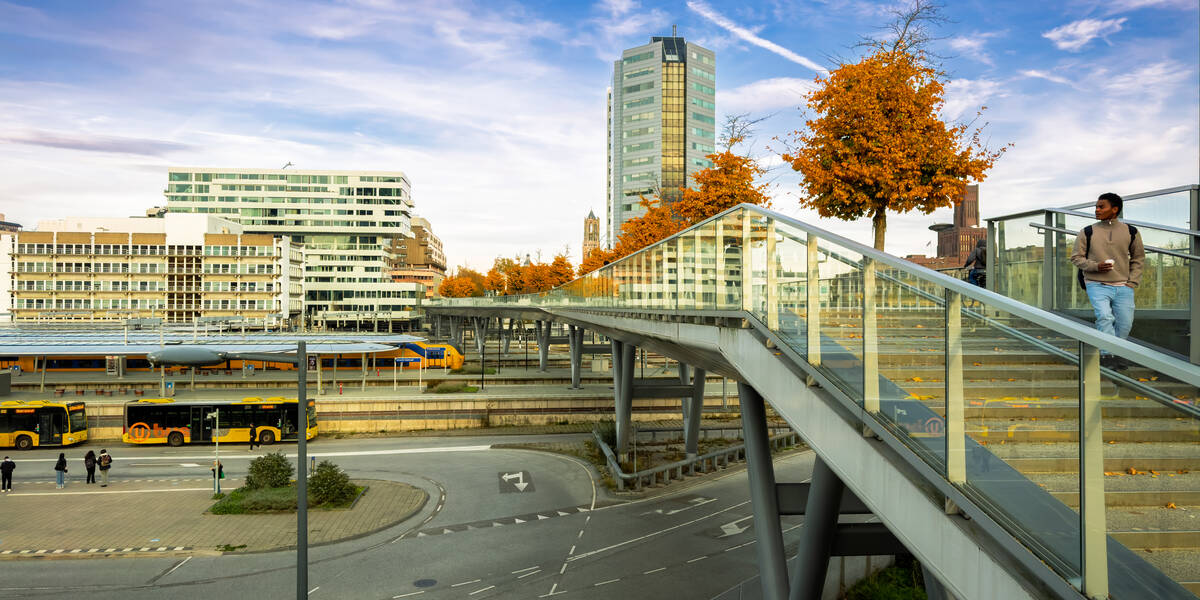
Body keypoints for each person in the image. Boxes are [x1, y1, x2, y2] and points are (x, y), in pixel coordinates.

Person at [1070, 192, 1145, 370]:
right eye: (1096, 206)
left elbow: (1139, 258)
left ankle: (1118, 353)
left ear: (1115, 209)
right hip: (1096, 283)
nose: (1097, 210)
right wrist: (1095, 266)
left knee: (1125, 323)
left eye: (1101, 206)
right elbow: (1076, 258)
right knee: (1104, 317)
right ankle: (1106, 354)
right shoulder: (1087, 231)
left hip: (1124, 285)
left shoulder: (1131, 231)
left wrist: (1132, 281)